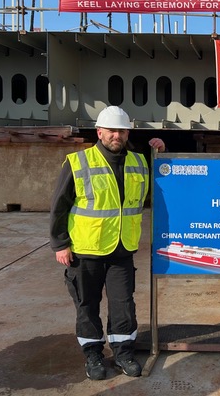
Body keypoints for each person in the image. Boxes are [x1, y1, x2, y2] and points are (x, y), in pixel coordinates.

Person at [50, 106, 166, 381]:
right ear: (99, 132)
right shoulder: (78, 162)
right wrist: (60, 244)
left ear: (127, 133)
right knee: (86, 304)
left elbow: (163, 181)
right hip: (85, 250)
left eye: (121, 130)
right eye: (111, 130)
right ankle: (92, 354)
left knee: (123, 304)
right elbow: (59, 206)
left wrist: (159, 151)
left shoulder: (139, 161)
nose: (116, 135)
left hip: (121, 249)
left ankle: (124, 352)